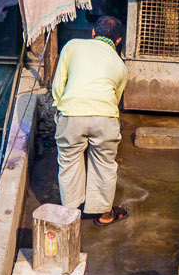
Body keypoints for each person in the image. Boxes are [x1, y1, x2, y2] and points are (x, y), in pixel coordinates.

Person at [51, 16, 128, 225]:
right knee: (104, 163)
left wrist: (61, 108)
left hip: (72, 112)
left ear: (93, 33)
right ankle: (105, 215)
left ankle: (70, 216)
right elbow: (116, 98)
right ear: (118, 41)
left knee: (69, 162)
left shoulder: (73, 46)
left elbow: (59, 85)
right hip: (105, 116)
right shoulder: (121, 65)